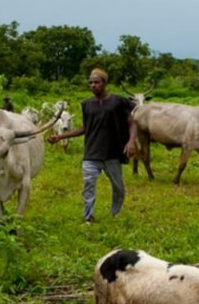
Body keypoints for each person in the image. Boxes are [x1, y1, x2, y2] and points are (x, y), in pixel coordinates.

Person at [48, 68, 137, 223]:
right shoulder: (87, 104)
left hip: (112, 153)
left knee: (118, 187)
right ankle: (88, 216)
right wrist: (60, 136)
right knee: (88, 184)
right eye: (90, 83)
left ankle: (115, 212)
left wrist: (131, 142)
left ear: (104, 83)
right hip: (92, 152)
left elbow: (132, 123)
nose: (93, 85)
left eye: (97, 82)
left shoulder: (119, 101)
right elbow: (85, 128)